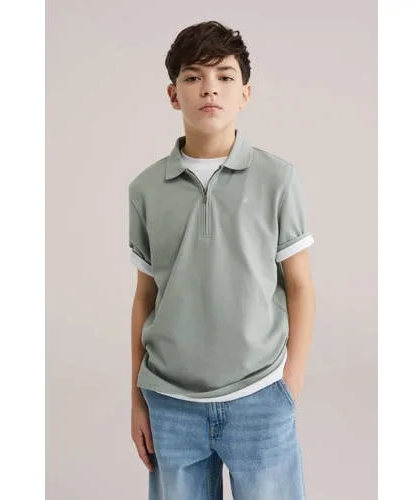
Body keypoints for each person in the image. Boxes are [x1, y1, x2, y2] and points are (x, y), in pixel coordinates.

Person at [129, 20, 316, 500]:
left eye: (224, 76)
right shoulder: (145, 190)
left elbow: (299, 285)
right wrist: (137, 399)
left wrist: (289, 384)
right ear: (173, 95)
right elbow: (145, 297)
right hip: (170, 402)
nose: (209, 88)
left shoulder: (278, 179)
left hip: (261, 396)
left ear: (245, 93)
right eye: (193, 77)